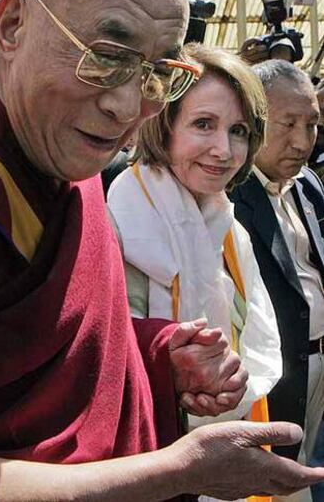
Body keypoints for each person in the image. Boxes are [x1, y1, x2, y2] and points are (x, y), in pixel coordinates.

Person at [0, 0, 322, 501]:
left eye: (157, 72)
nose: (128, 107)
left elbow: (79, 338)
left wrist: (157, 352)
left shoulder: (64, 146)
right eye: (105, 56)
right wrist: (181, 472)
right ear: (11, 25)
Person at [108, 44, 282, 501]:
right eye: (203, 124)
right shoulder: (115, 219)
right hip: (143, 462)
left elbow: (255, 346)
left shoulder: (230, 230)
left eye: (239, 131)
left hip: (228, 448)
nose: (224, 150)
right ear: (162, 126)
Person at [230, 59, 324, 502]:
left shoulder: (308, 186)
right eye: (288, 124)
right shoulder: (230, 194)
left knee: (305, 464)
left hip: (318, 368)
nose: (303, 142)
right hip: (274, 378)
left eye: (312, 125)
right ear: (256, 118)